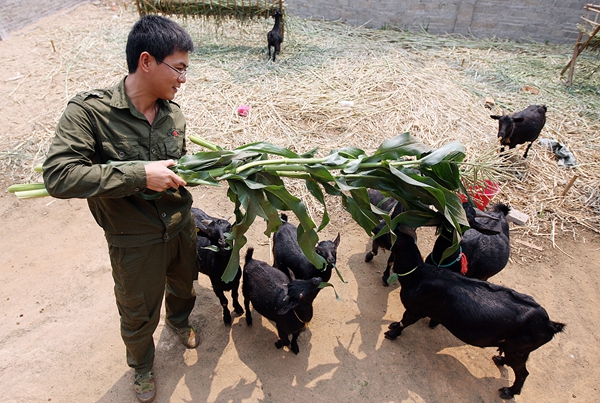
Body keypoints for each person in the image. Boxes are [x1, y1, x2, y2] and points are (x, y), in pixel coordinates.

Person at [43, 15, 198, 403]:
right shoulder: (88, 113)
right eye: (178, 68)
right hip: (134, 238)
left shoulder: (173, 113)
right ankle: (143, 365)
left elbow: (178, 161)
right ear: (146, 61)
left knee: (183, 284)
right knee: (137, 309)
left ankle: (179, 321)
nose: (183, 79)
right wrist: (138, 175)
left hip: (180, 224)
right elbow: (60, 176)